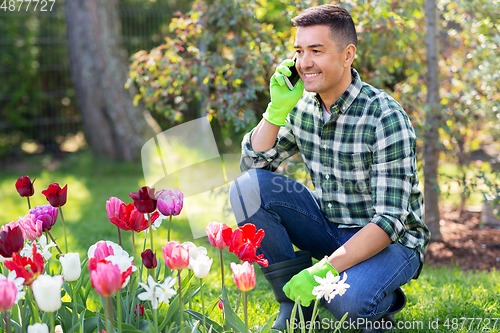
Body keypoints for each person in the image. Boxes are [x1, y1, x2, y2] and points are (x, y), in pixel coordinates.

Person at [228, 4, 431, 332]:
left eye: (316, 51)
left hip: (390, 242)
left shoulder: (384, 116)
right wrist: (275, 111)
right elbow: (253, 168)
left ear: (348, 54)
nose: (304, 62)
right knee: (246, 189)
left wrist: (320, 271)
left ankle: (384, 299)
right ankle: (293, 306)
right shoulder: (301, 108)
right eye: (299, 51)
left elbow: (390, 221)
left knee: (347, 302)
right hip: (329, 227)